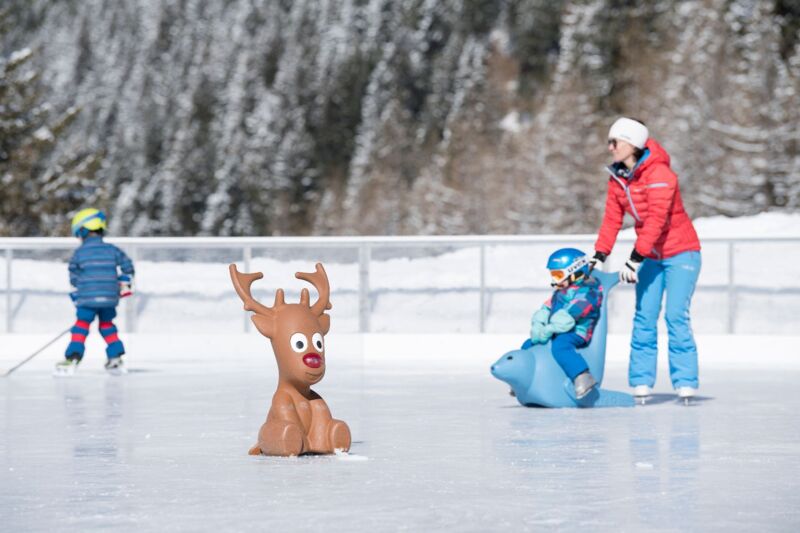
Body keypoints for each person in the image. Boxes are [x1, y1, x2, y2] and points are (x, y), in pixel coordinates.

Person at [591, 117, 701, 401]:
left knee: (675, 315)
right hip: (651, 255)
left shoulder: (660, 174)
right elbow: (612, 220)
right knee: (644, 316)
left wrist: (634, 258)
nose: (611, 147)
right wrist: (599, 254)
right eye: (609, 142)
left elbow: (656, 220)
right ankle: (641, 382)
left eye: (616, 141)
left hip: (682, 252)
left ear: (633, 143)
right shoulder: (618, 179)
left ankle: (685, 381)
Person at [56, 208, 135, 375]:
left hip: (87, 299)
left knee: (82, 325)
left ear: (82, 230)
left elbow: (74, 276)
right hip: (110, 297)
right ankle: (115, 357)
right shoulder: (113, 250)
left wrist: (78, 293)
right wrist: (124, 282)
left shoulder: (79, 253)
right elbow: (128, 267)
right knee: (107, 325)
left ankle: (73, 356)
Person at [528, 248, 604, 399]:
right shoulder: (560, 290)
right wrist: (539, 323)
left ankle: (582, 376)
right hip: (558, 329)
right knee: (530, 344)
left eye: (558, 275)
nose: (554, 280)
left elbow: (573, 312)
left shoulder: (589, 290)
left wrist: (550, 328)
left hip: (578, 331)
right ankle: (525, 378)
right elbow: (547, 307)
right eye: (553, 275)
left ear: (574, 271)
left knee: (561, 345)